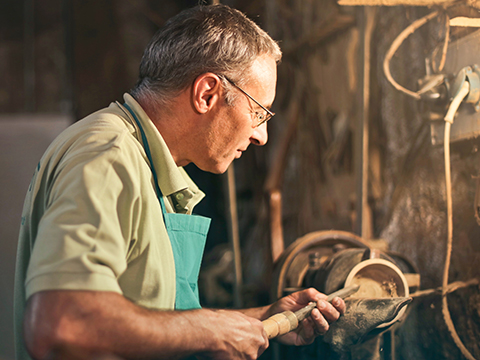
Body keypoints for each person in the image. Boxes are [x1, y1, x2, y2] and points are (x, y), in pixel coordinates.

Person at [14, 4, 346, 360]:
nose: (261, 135)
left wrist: (259, 320)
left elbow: (143, 321)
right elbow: (61, 324)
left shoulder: (143, 161)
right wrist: (209, 329)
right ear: (207, 94)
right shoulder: (109, 156)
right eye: (258, 112)